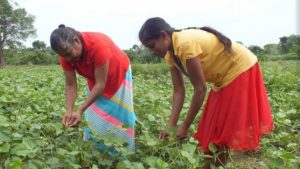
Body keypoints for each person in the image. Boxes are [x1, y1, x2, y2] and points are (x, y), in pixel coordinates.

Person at [138, 17, 273, 168]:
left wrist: (184, 126)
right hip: (222, 79)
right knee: (213, 125)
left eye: (152, 45)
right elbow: (178, 91)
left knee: (223, 129)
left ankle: (213, 165)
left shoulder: (184, 43)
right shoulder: (170, 54)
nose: (152, 51)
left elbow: (200, 89)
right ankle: (209, 165)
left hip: (240, 69)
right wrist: (172, 125)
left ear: (163, 36)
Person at [50, 25, 136, 153]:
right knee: (95, 116)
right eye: (63, 56)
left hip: (118, 72)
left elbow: (100, 85)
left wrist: (79, 110)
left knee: (119, 114)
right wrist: (69, 110)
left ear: (76, 41)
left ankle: (123, 152)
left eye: (68, 54)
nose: (67, 59)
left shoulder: (98, 45)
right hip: (95, 77)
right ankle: (97, 151)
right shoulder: (65, 55)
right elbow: (70, 84)